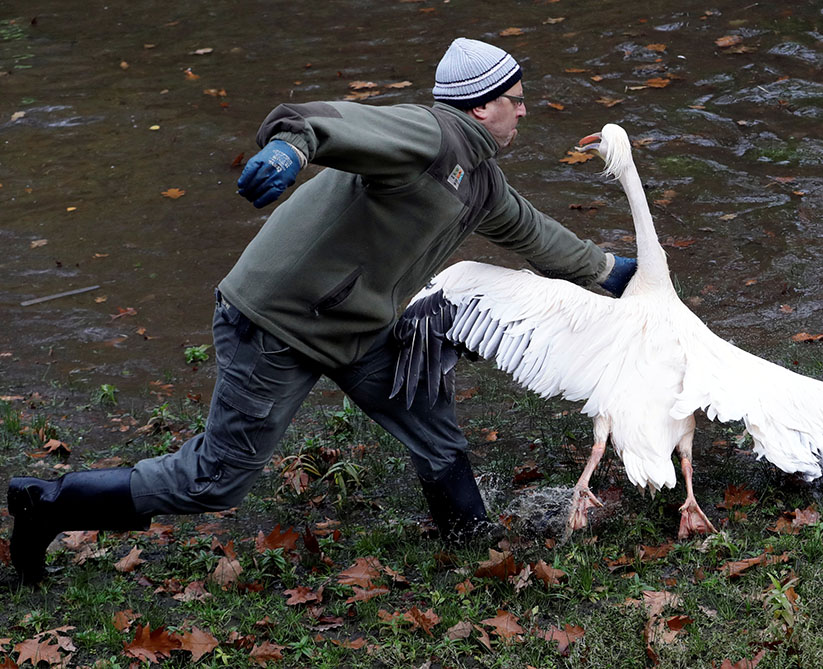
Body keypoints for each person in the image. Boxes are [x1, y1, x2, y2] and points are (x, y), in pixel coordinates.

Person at [6, 38, 637, 585]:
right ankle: (48, 505)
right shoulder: (429, 136)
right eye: (515, 98)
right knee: (215, 481)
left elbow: (536, 236)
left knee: (430, 423)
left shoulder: (480, 180)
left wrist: (614, 273)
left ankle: (470, 549)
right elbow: (333, 124)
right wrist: (290, 148)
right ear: (480, 103)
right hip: (278, 323)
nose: (525, 110)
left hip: (355, 329)